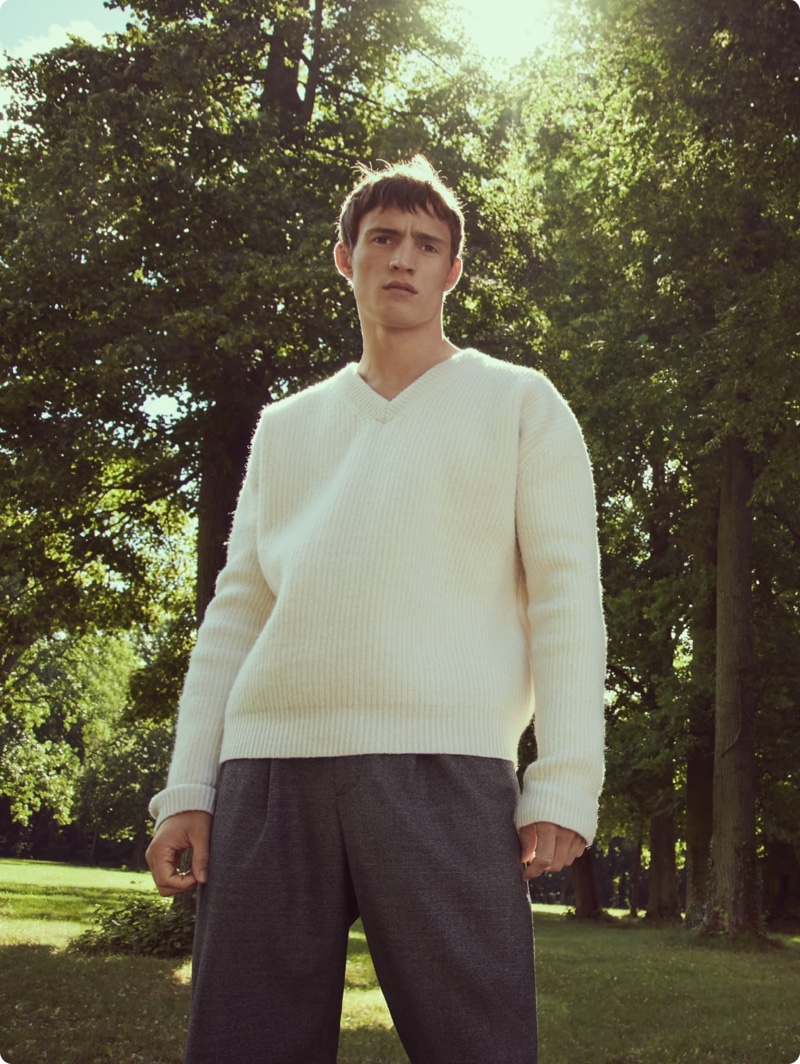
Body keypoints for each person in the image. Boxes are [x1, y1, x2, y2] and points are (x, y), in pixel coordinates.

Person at [146, 155, 605, 1064]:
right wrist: (189, 789)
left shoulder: (520, 404)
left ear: (452, 271)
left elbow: (566, 598)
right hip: (268, 773)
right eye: (383, 238)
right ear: (345, 257)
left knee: (479, 1046)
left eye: (426, 244)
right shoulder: (286, 427)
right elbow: (235, 615)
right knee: (244, 1046)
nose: (403, 258)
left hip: (445, 768)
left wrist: (564, 778)